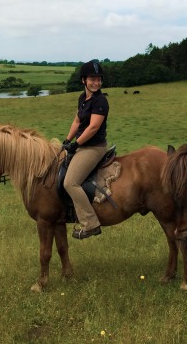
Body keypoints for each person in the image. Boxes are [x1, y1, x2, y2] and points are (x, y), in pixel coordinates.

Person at [62, 60, 109, 239]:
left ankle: (90, 224)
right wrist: (67, 140)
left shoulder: (100, 101)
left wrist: (76, 144)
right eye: (92, 79)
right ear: (84, 80)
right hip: (82, 144)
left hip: (93, 147)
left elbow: (93, 128)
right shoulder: (83, 98)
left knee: (70, 183)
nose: (96, 83)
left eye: (98, 79)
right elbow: (77, 121)